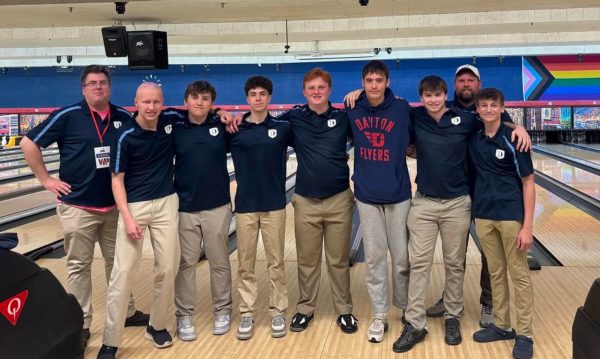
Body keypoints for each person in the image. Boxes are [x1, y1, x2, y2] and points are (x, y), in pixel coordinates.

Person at [393, 76, 529, 353]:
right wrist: (359, 91)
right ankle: (415, 323)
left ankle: (452, 316)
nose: (433, 100)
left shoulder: (465, 119)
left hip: (458, 203)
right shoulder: (415, 116)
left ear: (445, 95)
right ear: (422, 98)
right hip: (424, 203)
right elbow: (385, 105)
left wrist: (520, 127)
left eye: (437, 94)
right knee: (419, 263)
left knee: (455, 263)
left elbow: (494, 123)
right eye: (427, 96)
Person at [20, 65, 148, 349]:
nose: (98, 87)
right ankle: (81, 322)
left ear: (109, 87)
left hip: (115, 208)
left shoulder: (123, 117)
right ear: (83, 88)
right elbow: (29, 143)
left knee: (120, 264)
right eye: (93, 83)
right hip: (78, 206)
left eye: (103, 83)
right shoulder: (68, 116)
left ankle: (126, 312)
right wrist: (45, 179)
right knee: (79, 266)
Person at [224, 68, 358, 334]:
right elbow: (261, 122)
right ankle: (305, 309)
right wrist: (229, 115)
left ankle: (344, 311)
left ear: (329, 90)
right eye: (312, 88)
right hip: (305, 200)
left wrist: (361, 92)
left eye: (321, 87)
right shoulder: (292, 119)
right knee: (307, 260)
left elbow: (371, 116)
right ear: (304, 92)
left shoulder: (344, 118)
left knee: (338, 260)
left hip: (339, 199)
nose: (317, 92)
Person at [425, 64, 525, 328]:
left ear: (479, 86)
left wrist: (519, 127)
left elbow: (501, 123)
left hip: (485, 194)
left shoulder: (486, 112)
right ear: (454, 86)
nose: (466, 84)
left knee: (488, 254)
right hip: (455, 192)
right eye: (461, 80)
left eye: (471, 80)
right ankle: (450, 297)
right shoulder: (442, 109)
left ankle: (489, 301)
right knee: (453, 252)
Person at [97, 83, 180, 359]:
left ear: (162, 102)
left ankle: (156, 325)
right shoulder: (125, 136)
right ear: (136, 102)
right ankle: (111, 340)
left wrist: (224, 113)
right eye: (146, 102)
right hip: (135, 207)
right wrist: (128, 218)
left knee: (168, 269)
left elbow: (200, 112)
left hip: (167, 203)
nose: (152, 107)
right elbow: (116, 182)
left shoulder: (169, 121)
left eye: (156, 102)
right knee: (122, 273)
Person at [344, 60, 413, 343]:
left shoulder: (402, 108)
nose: (374, 85)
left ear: (387, 82)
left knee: (401, 258)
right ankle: (380, 313)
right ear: (363, 82)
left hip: (399, 194)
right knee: (373, 259)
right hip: (367, 195)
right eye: (369, 80)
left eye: (379, 80)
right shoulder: (352, 107)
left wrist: (509, 124)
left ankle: (406, 307)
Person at [470, 88, 535, 359]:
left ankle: (525, 333)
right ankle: (501, 324)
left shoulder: (513, 139)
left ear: (501, 108)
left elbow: (529, 183)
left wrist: (528, 226)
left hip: (510, 216)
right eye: (483, 105)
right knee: (496, 272)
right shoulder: (474, 139)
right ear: (478, 110)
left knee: (518, 273)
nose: (487, 109)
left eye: (492, 105)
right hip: (484, 216)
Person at [167, 81, 233, 340]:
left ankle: (223, 311)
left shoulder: (221, 125)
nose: (199, 102)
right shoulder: (176, 126)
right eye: (194, 97)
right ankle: (184, 315)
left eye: (205, 98)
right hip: (184, 207)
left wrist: (221, 113)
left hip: (217, 205)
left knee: (220, 263)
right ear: (186, 101)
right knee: (186, 264)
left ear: (211, 102)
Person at [228, 75, 292, 340]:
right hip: (245, 206)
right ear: (247, 98)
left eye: (262, 94)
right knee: (245, 263)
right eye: (253, 94)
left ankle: (278, 309)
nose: (257, 98)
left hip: (275, 204)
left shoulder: (283, 127)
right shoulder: (235, 128)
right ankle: (247, 312)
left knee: (276, 262)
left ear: (269, 97)